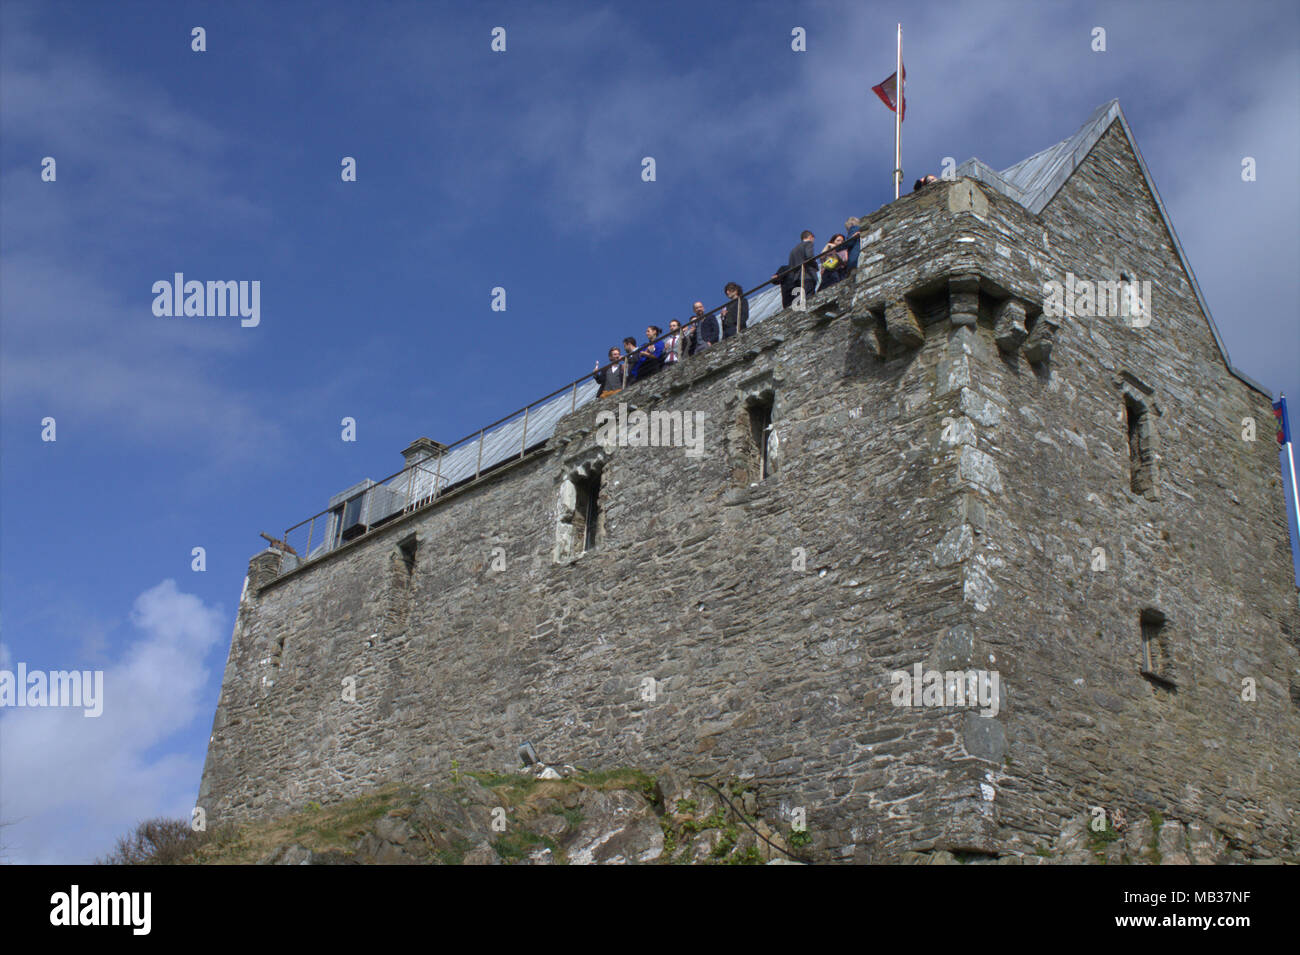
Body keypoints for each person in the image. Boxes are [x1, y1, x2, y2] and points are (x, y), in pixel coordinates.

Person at [773, 230, 818, 308]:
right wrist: (816, 266)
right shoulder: (808, 244)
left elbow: (791, 265)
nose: (813, 241)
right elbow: (809, 257)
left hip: (796, 279)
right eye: (813, 239)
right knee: (809, 298)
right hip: (807, 275)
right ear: (811, 237)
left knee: (800, 301)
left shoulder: (793, 251)